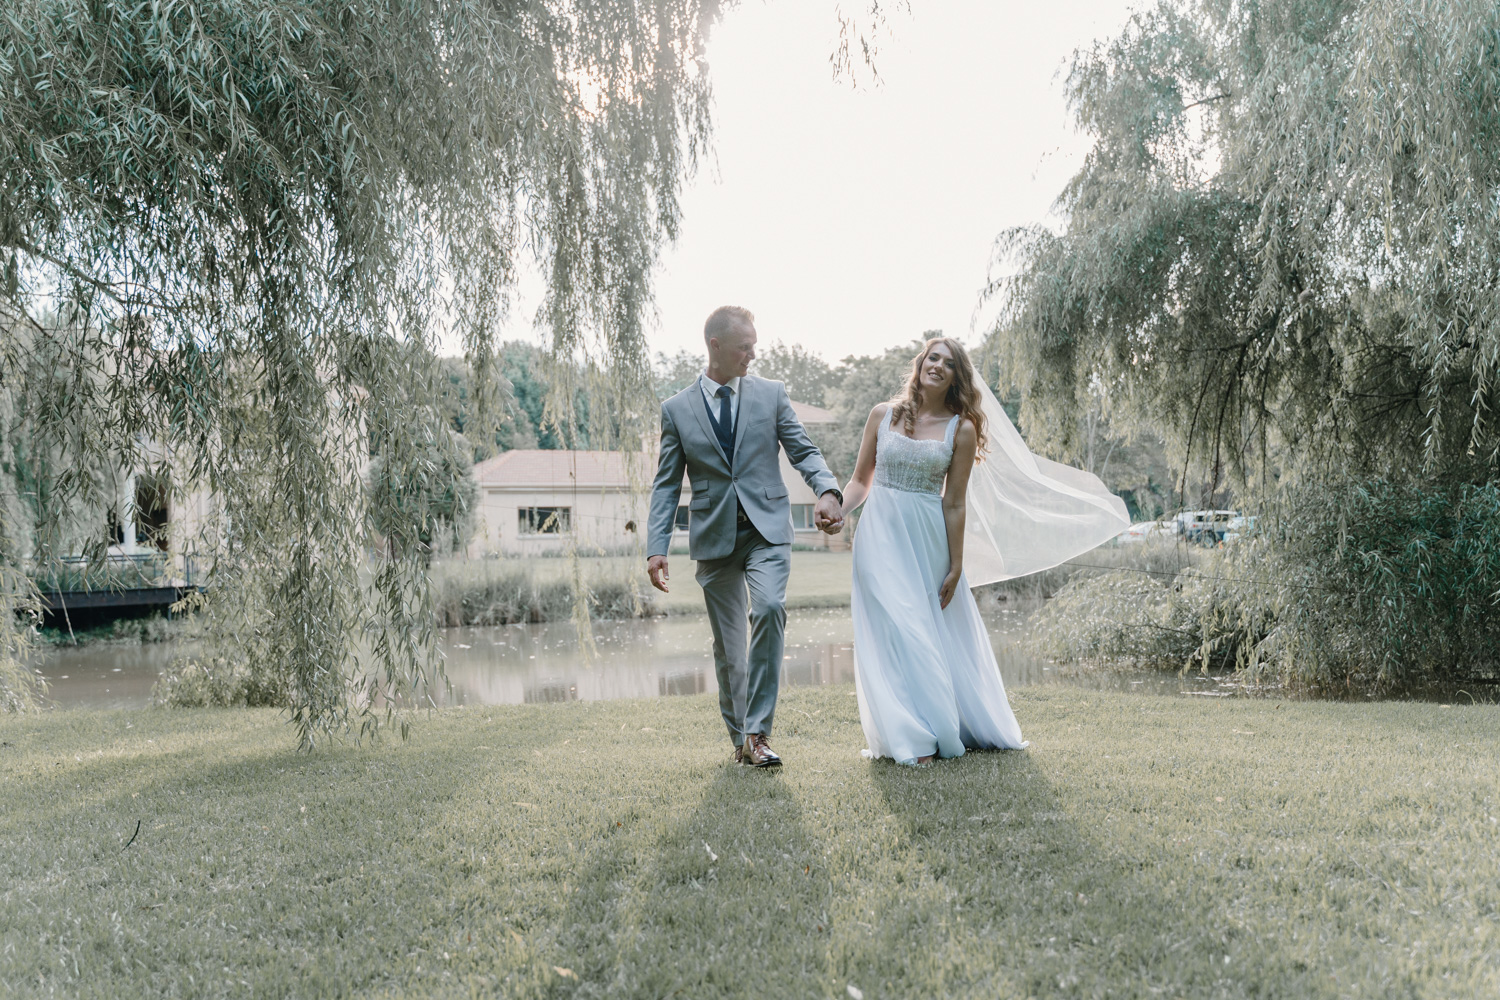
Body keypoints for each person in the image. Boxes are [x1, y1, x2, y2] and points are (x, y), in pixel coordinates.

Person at [837, 337, 1128, 765]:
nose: (938, 365)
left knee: (921, 630)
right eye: (933, 357)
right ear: (920, 363)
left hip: (926, 541)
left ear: (957, 377)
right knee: (891, 630)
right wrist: (837, 509)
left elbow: (954, 503)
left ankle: (934, 729)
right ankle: (908, 736)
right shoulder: (883, 415)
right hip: (878, 536)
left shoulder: (961, 429)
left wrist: (957, 565)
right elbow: (860, 481)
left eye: (948, 363)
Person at [646, 306, 844, 768]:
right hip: (714, 537)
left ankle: (758, 734)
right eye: (744, 347)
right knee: (730, 647)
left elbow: (803, 450)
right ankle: (740, 739)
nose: (752, 355)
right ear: (715, 346)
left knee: (770, 608)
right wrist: (657, 547)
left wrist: (827, 490)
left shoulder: (771, 394)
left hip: (767, 531)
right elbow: (666, 484)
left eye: (754, 346)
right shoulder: (676, 409)